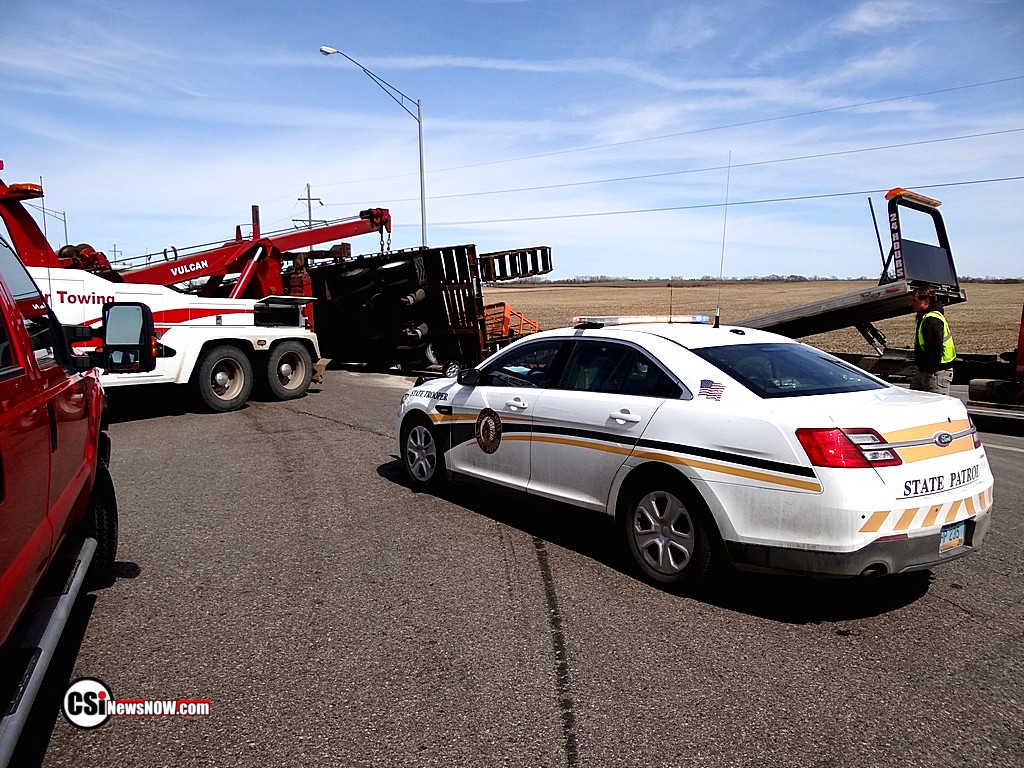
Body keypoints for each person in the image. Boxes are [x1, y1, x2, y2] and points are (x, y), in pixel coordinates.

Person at [909, 285, 956, 395]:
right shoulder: (925, 316)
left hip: (936, 373)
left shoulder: (932, 320)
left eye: (914, 301)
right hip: (925, 370)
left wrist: (930, 371)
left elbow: (935, 348)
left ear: (926, 301)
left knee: (937, 409)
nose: (911, 304)